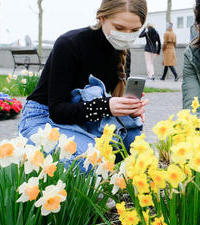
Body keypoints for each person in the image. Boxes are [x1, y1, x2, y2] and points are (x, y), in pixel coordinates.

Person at [18, 0, 148, 167]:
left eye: (134, 31)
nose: (126, 35)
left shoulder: (122, 52)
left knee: (134, 143)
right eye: (120, 28)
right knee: (90, 160)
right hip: (44, 118)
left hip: (86, 118)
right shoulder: (69, 44)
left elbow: (105, 105)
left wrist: (126, 109)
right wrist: (106, 106)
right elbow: (57, 110)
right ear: (102, 18)